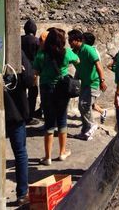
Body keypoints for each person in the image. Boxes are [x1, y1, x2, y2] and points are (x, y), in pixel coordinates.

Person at [34, 27, 78, 165]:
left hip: (47, 89)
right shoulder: (66, 53)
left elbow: (36, 71)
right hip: (62, 89)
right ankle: (62, 152)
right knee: (62, 119)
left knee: (49, 122)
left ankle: (47, 157)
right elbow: (77, 61)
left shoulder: (41, 54)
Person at [1, 56, 30, 204]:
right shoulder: (16, 51)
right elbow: (30, 80)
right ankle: (22, 194)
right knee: (20, 153)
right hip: (15, 112)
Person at [72, 29, 107, 140]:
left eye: (71, 40)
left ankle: (91, 126)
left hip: (93, 82)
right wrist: (76, 78)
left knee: (84, 105)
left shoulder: (89, 50)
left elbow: (98, 65)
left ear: (78, 40)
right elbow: (80, 66)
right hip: (85, 82)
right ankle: (85, 130)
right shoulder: (77, 51)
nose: (69, 42)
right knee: (82, 106)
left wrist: (102, 81)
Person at [20, 20, 40, 122]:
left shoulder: (19, 40)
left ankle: (21, 114)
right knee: (33, 93)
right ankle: (29, 116)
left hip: (20, 70)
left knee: (21, 92)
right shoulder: (36, 41)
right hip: (33, 71)